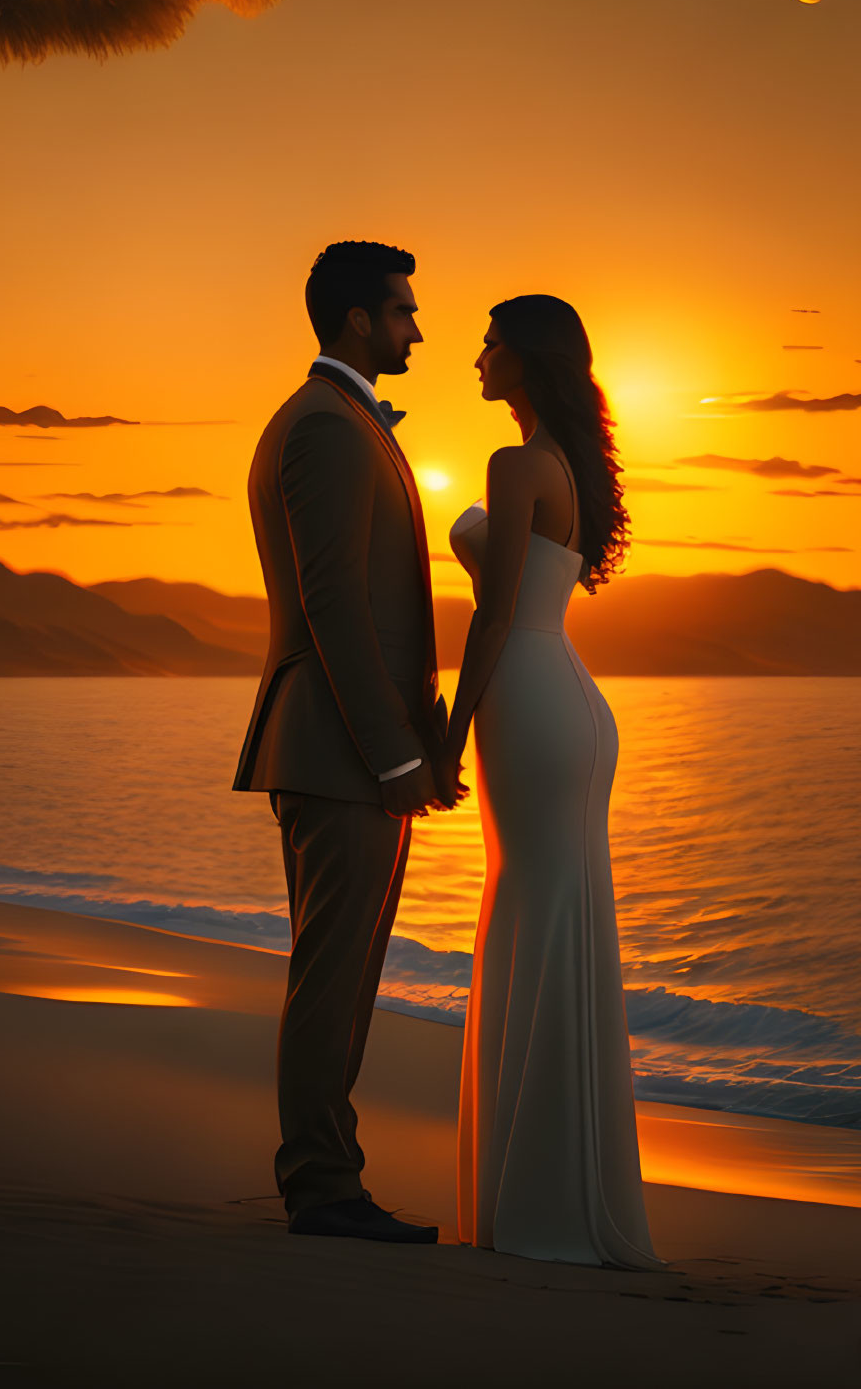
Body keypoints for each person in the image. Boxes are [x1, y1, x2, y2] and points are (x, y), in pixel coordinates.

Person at [434, 294, 668, 1269]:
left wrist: (446, 732)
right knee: (541, 918)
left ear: (526, 357)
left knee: (534, 917)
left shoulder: (519, 465)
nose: (476, 355)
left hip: (530, 695)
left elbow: (491, 618)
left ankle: (539, 1205)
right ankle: (552, 1192)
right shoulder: (561, 461)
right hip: (563, 698)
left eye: (489, 342)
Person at [233, 240, 454, 1243]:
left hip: (342, 747)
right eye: (403, 309)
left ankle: (329, 1177)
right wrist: (396, 753)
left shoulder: (341, 420)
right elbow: (332, 606)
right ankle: (321, 1186)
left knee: (343, 975)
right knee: (331, 977)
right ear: (357, 321)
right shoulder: (325, 428)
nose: (416, 325)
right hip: (336, 749)